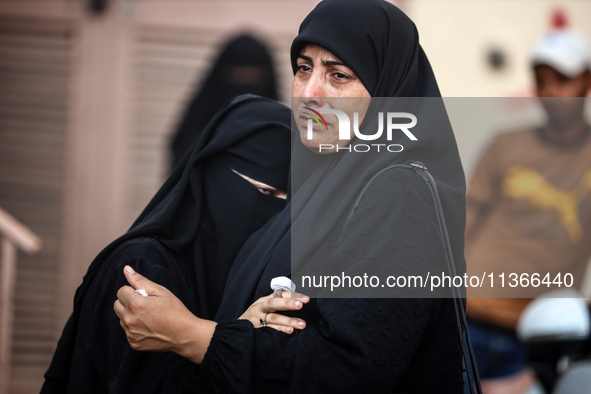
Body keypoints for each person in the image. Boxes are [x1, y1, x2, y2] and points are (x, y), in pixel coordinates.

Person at [115, 0, 470, 392]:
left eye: (339, 75)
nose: (309, 93)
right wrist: (244, 327)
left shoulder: (399, 195)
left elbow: (349, 369)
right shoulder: (323, 182)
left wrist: (191, 335)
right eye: (303, 68)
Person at [41, 95, 296, 393]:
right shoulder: (142, 267)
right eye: (265, 191)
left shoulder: (256, 279)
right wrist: (231, 344)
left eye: (287, 204)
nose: (274, 215)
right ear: (212, 176)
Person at [465, 27, 591, 393]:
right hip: (467, 318)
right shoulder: (505, 143)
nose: (552, 91)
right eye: (542, 80)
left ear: (586, 80)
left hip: (541, 335)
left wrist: (542, 369)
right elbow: (464, 223)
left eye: (564, 79)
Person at [170, 34, 279, 169]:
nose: (245, 89)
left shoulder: (282, 139)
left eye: (253, 77)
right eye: (236, 76)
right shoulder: (193, 139)